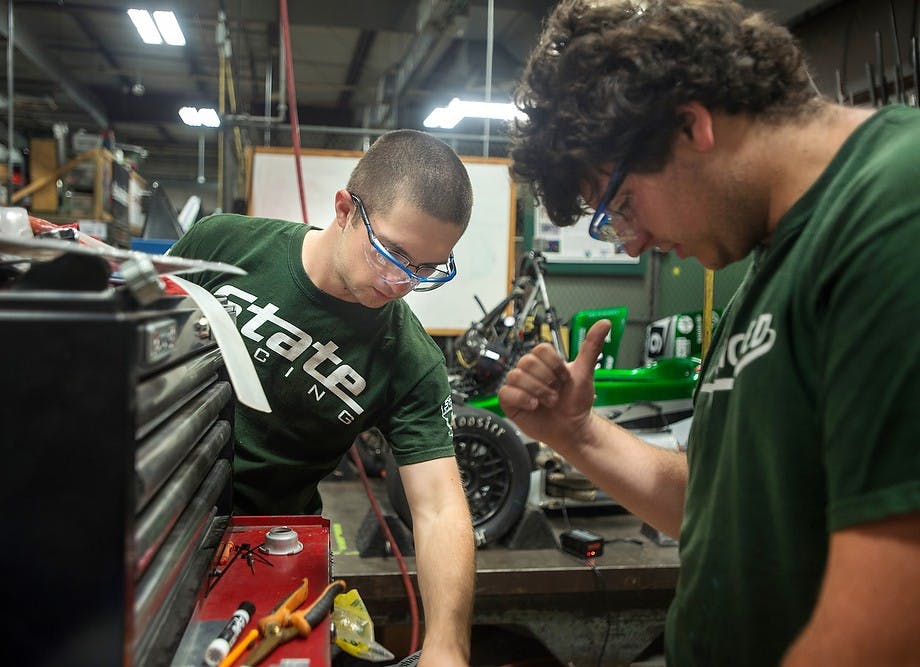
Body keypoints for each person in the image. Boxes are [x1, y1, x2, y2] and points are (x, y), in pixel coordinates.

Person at [499, 1, 920, 665]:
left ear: (689, 125)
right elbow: (726, 507)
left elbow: (891, 625)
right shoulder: (770, 262)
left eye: (623, 205)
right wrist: (578, 434)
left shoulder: (896, 207)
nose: (633, 246)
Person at [169, 129, 474, 667]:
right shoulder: (223, 245)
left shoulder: (409, 362)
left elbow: (439, 508)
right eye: (393, 252)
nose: (401, 283)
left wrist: (448, 645)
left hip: (266, 552)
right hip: (158, 511)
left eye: (425, 270)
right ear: (344, 210)